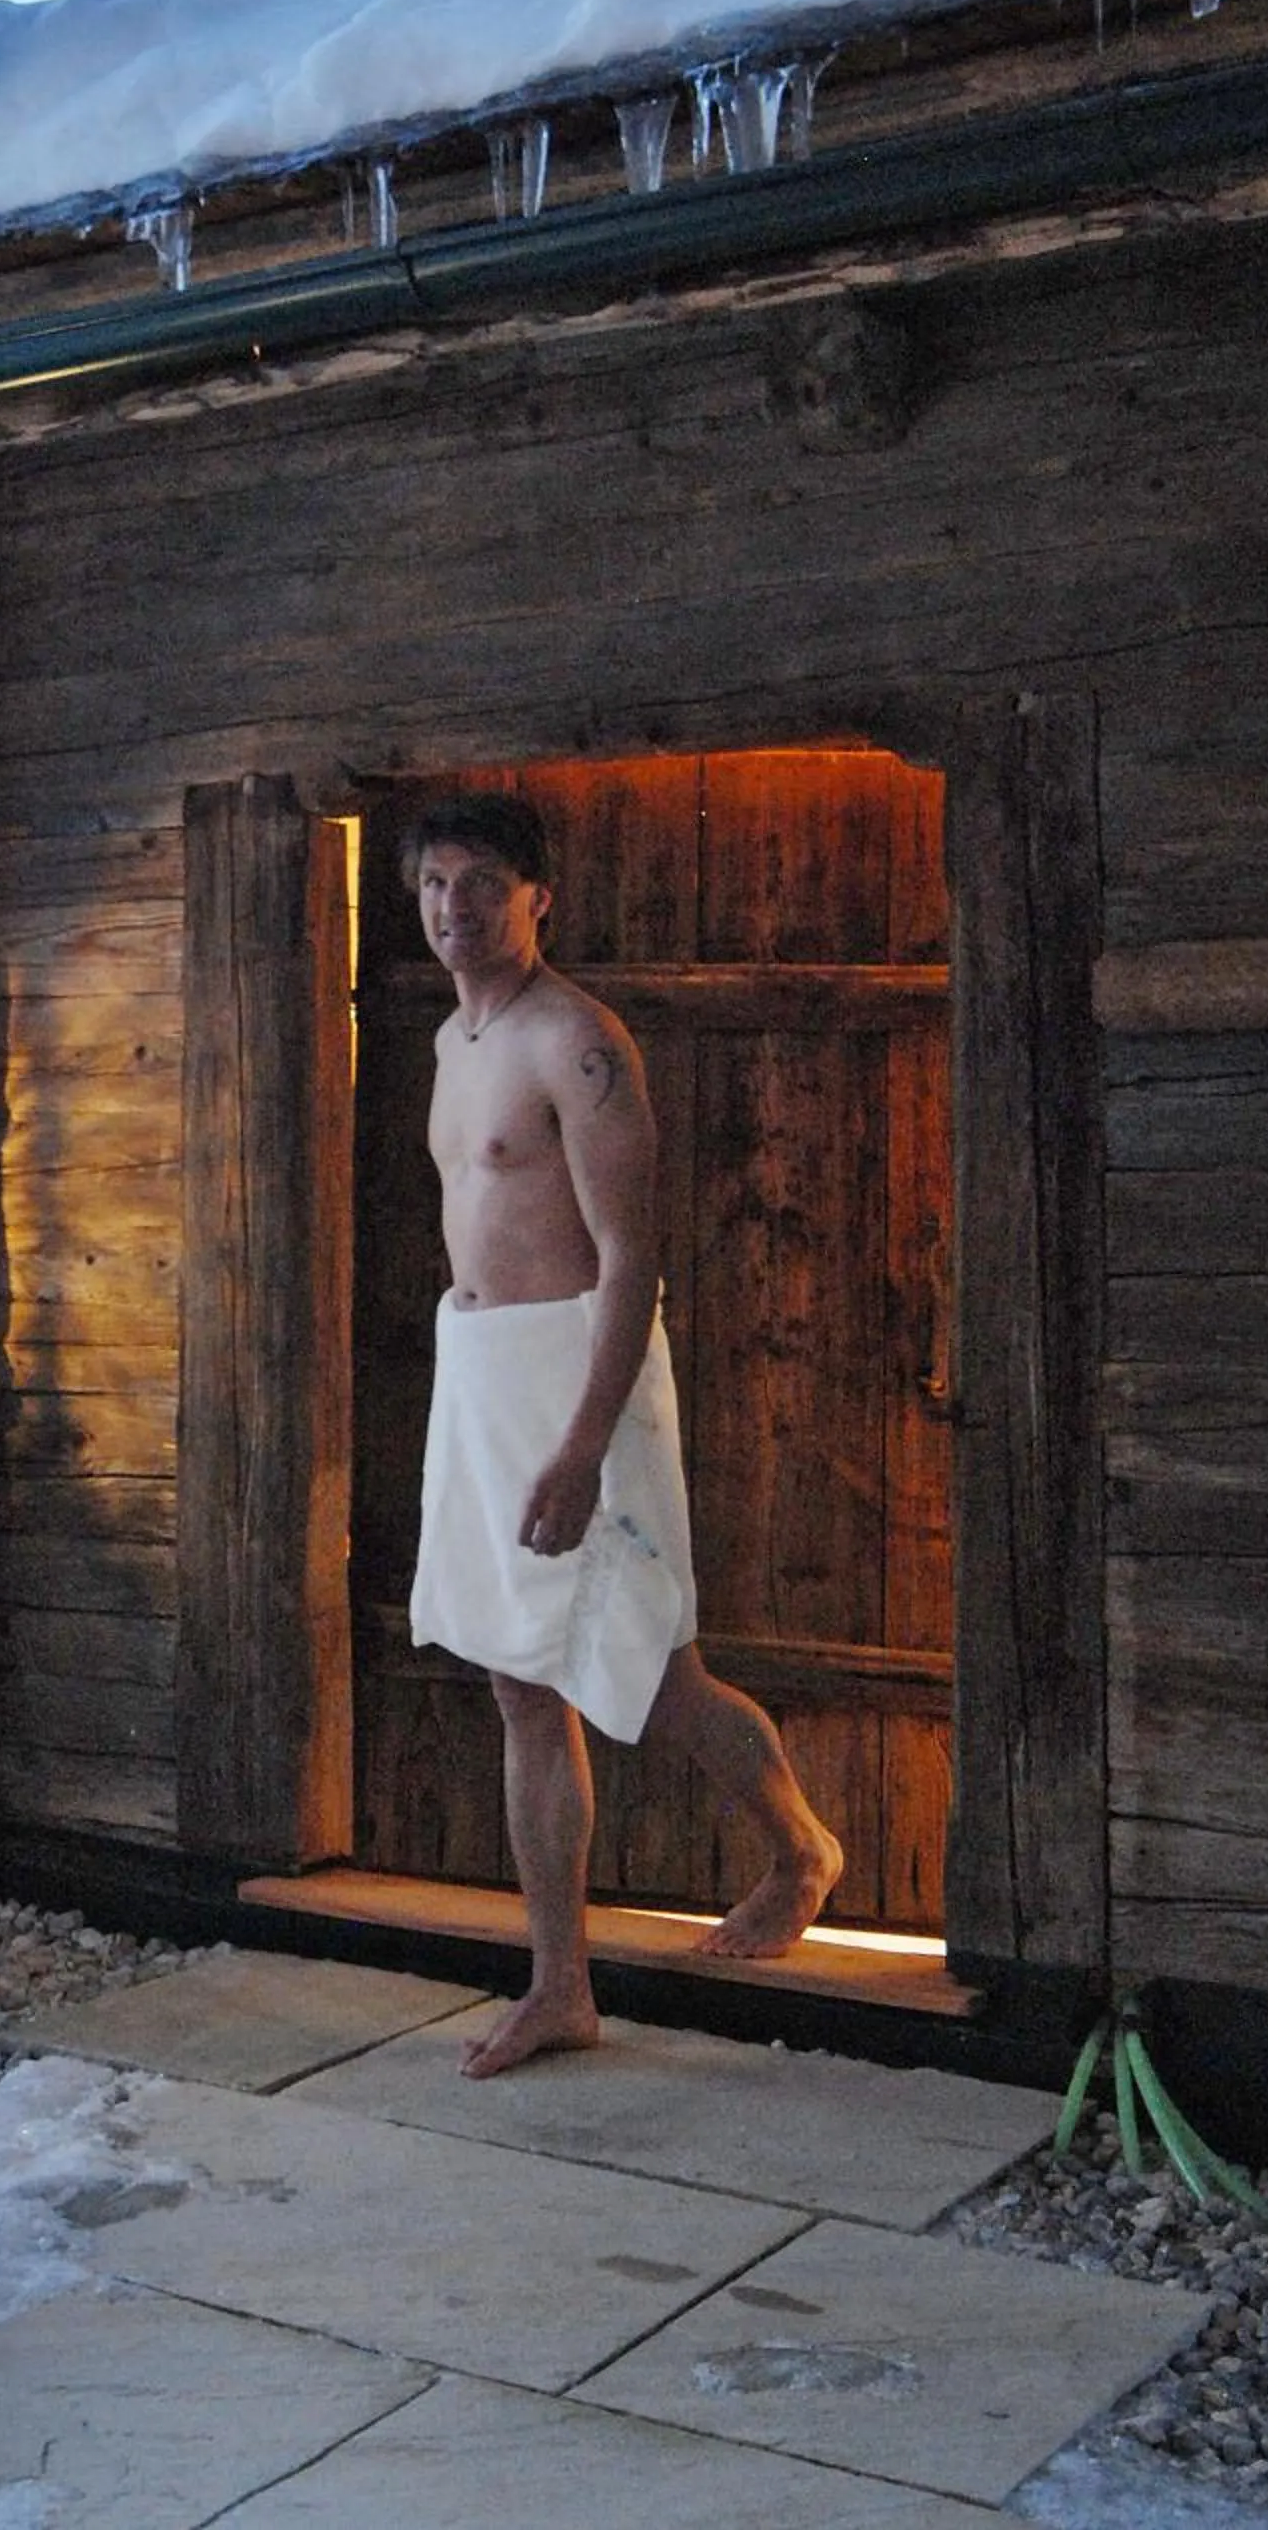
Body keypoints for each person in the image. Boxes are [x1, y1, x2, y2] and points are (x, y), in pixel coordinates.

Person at [404, 790, 844, 2081]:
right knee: (515, 1680)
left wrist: (584, 1444)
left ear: (540, 896)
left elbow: (634, 1255)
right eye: (433, 885)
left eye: (481, 882)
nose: (454, 909)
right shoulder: (449, 1042)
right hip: (481, 1374)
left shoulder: (577, 1044)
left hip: (577, 1375)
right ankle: (559, 1986)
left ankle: (800, 1851)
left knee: (650, 1675)